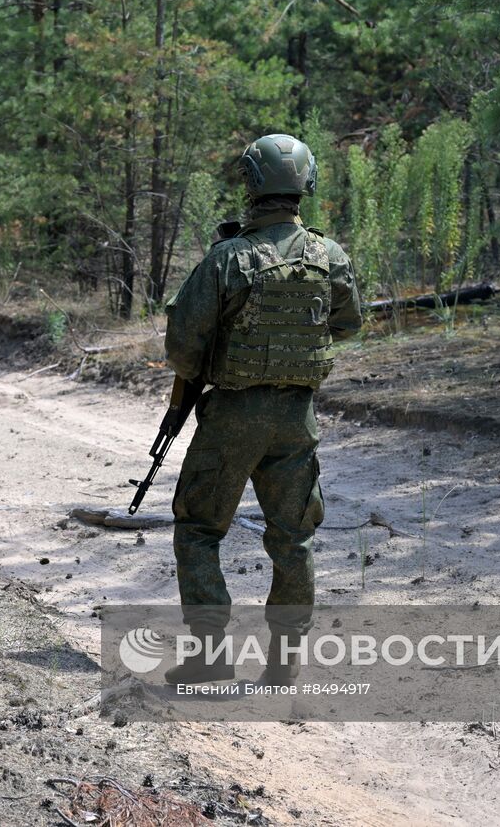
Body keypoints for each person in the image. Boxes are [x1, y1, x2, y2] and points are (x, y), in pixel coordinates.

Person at [161, 133, 362, 686]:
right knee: (293, 537)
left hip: (232, 416)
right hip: (297, 417)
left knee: (199, 529)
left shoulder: (228, 258)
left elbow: (182, 346)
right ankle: (283, 664)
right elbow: (346, 324)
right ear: (306, 184)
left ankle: (209, 659)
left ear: (250, 184)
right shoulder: (329, 255)